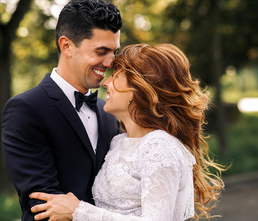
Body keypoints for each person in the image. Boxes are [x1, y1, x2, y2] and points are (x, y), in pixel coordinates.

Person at [29, 43, 225, 220]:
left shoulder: (159, 146)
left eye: (116, 75)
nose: (105, 83)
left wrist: (79, 212)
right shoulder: (118, 142)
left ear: (139, 88)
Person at [2, 0, 122, 221]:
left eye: (114, 51)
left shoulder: (109, 113)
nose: (110, 62)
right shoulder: (25, 109)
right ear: (66, 45)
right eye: (101, 51)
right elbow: (44, 207)